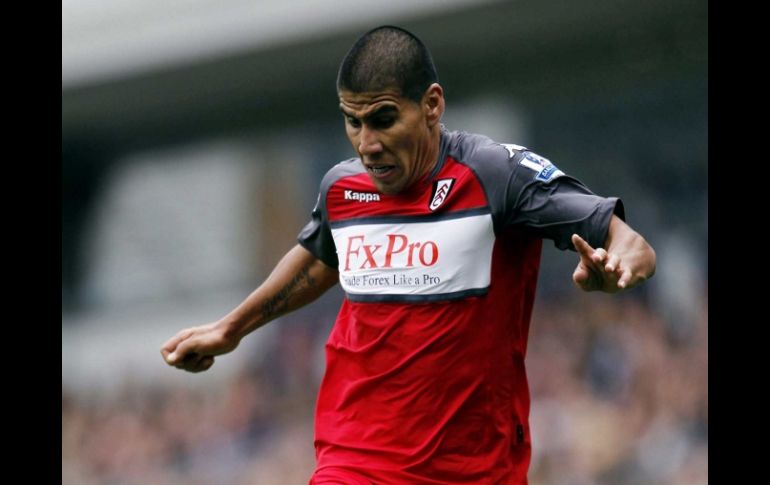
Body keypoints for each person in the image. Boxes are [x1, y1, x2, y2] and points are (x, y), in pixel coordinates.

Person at [161, 25, 656, 484]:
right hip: (353, 458)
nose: (367, 144)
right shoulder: (343, 189)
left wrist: (618, 269)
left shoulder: (496, 175)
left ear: (432, 105)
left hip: (474, 468)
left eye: (383, 120)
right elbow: (318, 258)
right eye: (353, 122)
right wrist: (232, 328)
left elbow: (630, 244)